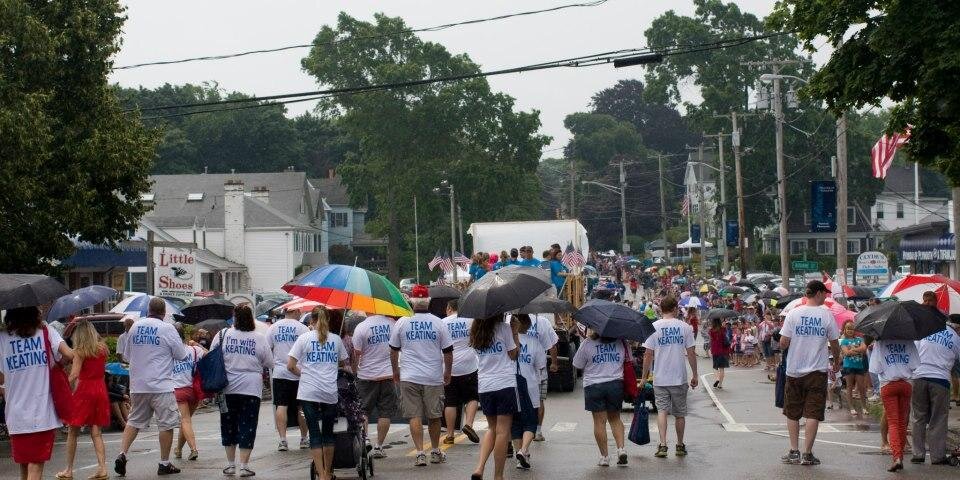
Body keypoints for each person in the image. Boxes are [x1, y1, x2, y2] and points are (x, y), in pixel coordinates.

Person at [114, 297, 191, 477]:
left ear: (148, 310)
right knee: (166, 424)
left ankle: (122, 453)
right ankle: (164, 463)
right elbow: (181, 354)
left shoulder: (135, 327)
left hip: (138, 385)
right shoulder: (167, 328)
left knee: (134, 421)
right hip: (161, 385)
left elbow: (127, 356)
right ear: (164, 312)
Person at [1, 306, 75, 480]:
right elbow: (70, 354)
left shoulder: (2, 338)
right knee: (35, 465)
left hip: (15, 415)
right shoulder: (46, 332)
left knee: (24, 464)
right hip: (41, 413)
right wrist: (58, 364)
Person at [388, 286, 454, 466]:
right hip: (433, 376)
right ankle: (435, 450)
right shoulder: (438, 322)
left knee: (414, 415)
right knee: (434, 416)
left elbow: (393, 351)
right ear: (428, 301)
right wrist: (448, 372)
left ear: (411, 301)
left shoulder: (402, 322)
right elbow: (448, 352)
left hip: (409, 376)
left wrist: (395, 371)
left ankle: (419, 453)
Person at [778, 280, 841, 466]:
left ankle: (794, 451)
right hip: (817, 371)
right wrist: (837, 361)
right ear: (818, 293)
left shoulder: (794, 313)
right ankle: (807, 453)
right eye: (825, 293)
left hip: (794, 370)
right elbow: (835, 343)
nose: (826, 296)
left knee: (792, 412)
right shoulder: (826, 315)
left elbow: (783, 342)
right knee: (813, 412)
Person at [287, 306, 349, 480]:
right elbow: (344, 362)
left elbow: (290, 366)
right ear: (328, 320)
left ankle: (320, 474)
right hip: (329, 391)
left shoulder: (303, 339)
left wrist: (304, 374)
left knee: (314, 433)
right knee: (328, 433)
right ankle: (328, 473)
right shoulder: (336, 339)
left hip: (308, 391)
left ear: (311, 321)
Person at [211, 304, 273, 477]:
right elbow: (269, 362)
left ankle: (231, 465)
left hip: (226, 388)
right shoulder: (259, 338)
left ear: (234, 317)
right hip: (251, 388)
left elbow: (212, 355)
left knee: (228, 425)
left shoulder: (223, 334)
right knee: (248, 425)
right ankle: (244, 466)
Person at [641, 296, 698, 458]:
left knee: (662, 411)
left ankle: (663, 444)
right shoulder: (685, 327)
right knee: (680, 414)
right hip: (679, 377)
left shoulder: (653, 327)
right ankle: (679, 445)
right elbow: (691, 353)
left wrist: (644, 377)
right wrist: (695, 375)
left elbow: (648, 354)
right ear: (675, 309)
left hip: (660, 378)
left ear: (661, 309)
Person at [56, 320, 111, 480]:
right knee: (96, 432)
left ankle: (69, 470)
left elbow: (74, 374)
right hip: (100, 389)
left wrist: (62, 387)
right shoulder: (103, 349)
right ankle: (102, 468)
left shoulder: (80, 352)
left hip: (85, 390)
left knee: (73, 431)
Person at [469, 313, 519, 480]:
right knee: (503, 431)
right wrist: (515, 332)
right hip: (504, 383)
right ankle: (498, 476)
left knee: (492, 428)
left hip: (485, 385)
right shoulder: (504, 328)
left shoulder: (476, 331)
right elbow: (513, 354)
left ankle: (479, 468)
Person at [910, 315, 960, 465]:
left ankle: (918, 454)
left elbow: (914, 350)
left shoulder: (926, 330)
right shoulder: (955, 337)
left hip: (919, 376)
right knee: (938, 418)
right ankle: (937, 456)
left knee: (918, 416)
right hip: (940, 379)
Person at [572, 329, 628, 467]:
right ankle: (621, 449)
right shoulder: (621, 342)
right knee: (615, 419)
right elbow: (628, 360)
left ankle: (605, 457)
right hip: (615, 384)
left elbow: (577, 364)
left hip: (594, 385)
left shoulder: (588, 343)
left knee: (599, 422)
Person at [352, 311, 399, 459]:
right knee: (385, 412)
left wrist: (354, 371)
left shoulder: (361, 327)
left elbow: (356, 354)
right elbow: (397, 348)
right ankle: (379, 446)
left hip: (366, 375)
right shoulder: (392, 324)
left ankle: (365, 439)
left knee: (363, 411)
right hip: (388, 375)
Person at [870, 337, 919, 472]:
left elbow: (875, 368)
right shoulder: (908, 341)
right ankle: (900, 456)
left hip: (888, 384)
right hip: (906, 384)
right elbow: (915, 365)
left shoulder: (880, 342)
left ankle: (897, 457)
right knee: (902, 423)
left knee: (893, 422)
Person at [266, 308, 310, 451]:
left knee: (281, 405)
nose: (300, 314)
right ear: (295, 311)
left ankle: (283, 440)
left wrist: (275, 363)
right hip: (299, 372)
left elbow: (267, 349)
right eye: (299, 311)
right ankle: (304, 438)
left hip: (280, 372)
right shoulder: (302, 328)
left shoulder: (273, 328)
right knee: (301, 407)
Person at [441, 300, 481, 445]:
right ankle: (468, 424)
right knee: (472, 397)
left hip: (449, 367)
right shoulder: (471, 320)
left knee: (450, 401)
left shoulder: (443, 323)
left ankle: (450, 434)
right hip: (469, 365)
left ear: (449, 308)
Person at [511, 314, 546, 469]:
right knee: (530, 422)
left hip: (511, 385)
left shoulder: (508, 340)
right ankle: (524, 450)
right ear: (529, 326)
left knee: (515, 423)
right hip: (530, 386)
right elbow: (540, 365)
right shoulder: (534, 342)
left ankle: (519, 455)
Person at [172, 324, 206, 462]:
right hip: (194, 390)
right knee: (186, 421)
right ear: (184, 335)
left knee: (185, 420)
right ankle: (178, 449)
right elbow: (209, 354)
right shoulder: (194, 350)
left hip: (179, 389)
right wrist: (197, 344)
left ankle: (193, 449)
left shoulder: (168, 352)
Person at [839, 320, 869, 417]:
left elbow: (864, 348)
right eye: (848, 329)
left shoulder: (860, 339)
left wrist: (852, 349)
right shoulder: (843, 341)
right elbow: (846, 353)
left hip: (859, 366)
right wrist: (858, 350)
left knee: (861, 387)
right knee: (849, 387)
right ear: (845, 330)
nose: (850, 331)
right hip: (848, 366)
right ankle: (851, 407)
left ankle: (864, 407)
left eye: (852, 329)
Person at [708, 318, 730, 389]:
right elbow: (726, 337)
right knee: (722, 368)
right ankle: (720, 384)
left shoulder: (711, 330)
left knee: (715, 367)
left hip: (715, 350)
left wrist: (710, 349)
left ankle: (717, 378)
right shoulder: (723, 329)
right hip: (723, 351)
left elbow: (711, 340)